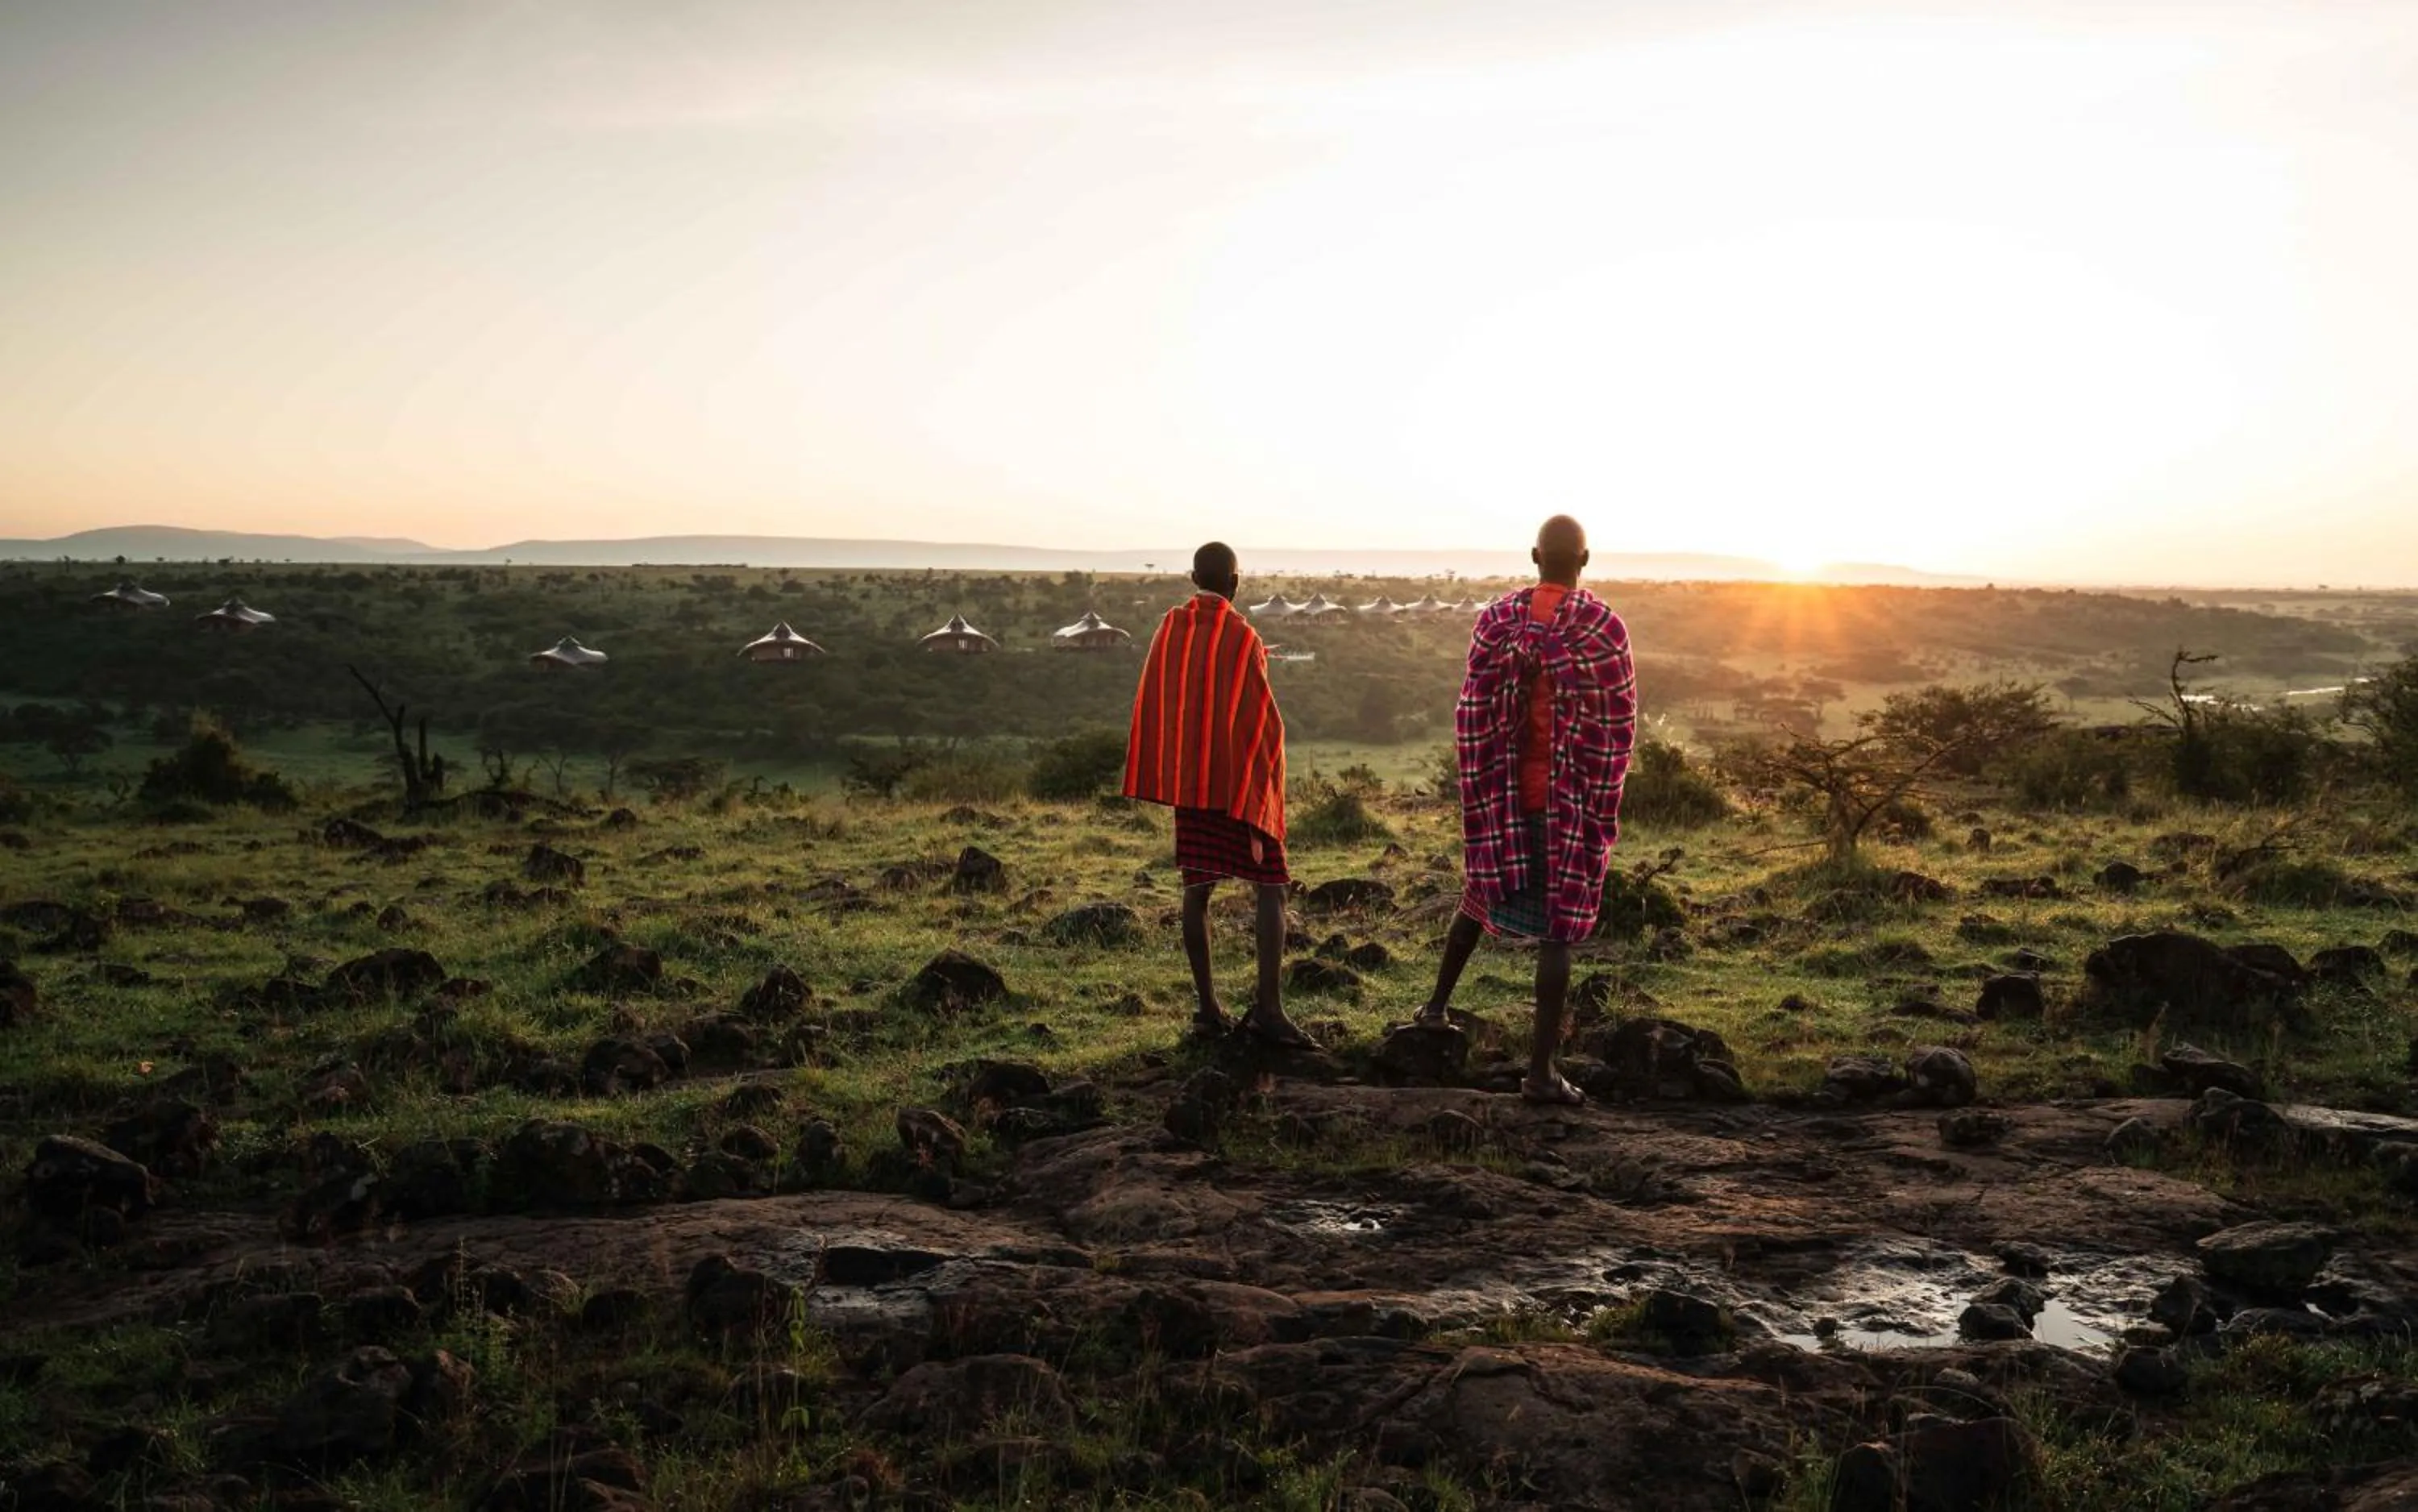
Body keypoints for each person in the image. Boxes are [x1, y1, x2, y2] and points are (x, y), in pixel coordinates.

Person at [1417, 516, 1636, 1103]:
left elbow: (1473, 712)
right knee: (1558, 934)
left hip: (1503, 799)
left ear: (1535, 555)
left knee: (1476, 895)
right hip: (1567, 805)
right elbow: (1616, 731)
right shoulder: (1602, 628)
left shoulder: (1496, 622)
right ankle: (1540, 1074)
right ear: (1583, 558)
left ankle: (1434, 1009)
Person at [1124, 542, 1313, 1048]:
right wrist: (1267, 771)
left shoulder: (1170, 628)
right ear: (1235, 582)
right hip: (1235, 788)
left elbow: (1161, 700)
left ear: (1193, 578)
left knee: (1197, 890)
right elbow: (1259, 718)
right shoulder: (1242, 635)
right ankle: (1268, 1011)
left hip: (1192, 783)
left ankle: (1208, 1009)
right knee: (1270, 886)